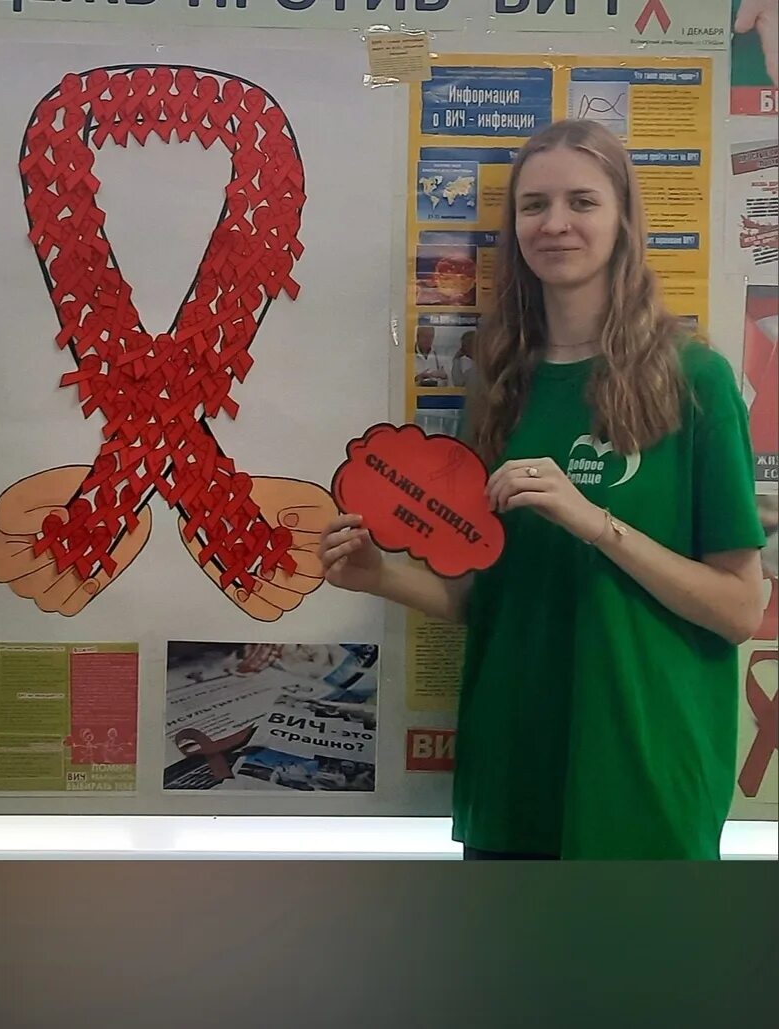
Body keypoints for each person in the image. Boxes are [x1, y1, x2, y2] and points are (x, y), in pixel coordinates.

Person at [321, 120, 766, 860]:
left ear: (623, 221)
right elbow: (490, 596)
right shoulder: (501, 384)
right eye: (534, 205)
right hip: (512, 770)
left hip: (647, 774)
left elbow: (740, 609)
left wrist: (595, 524)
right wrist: (378, 576)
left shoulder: (695, 381)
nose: (555, 223)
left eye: (582, 202)